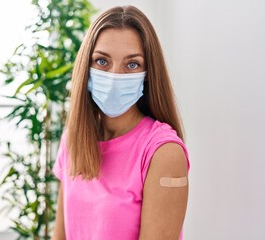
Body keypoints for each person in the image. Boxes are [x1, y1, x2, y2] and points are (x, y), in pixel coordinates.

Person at [52, 5, 190, 240]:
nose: (115, 76)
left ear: (148, 74)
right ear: (86, 67)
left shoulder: (163, 152)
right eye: (102, 61)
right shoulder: (73, 139)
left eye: (132, 64)